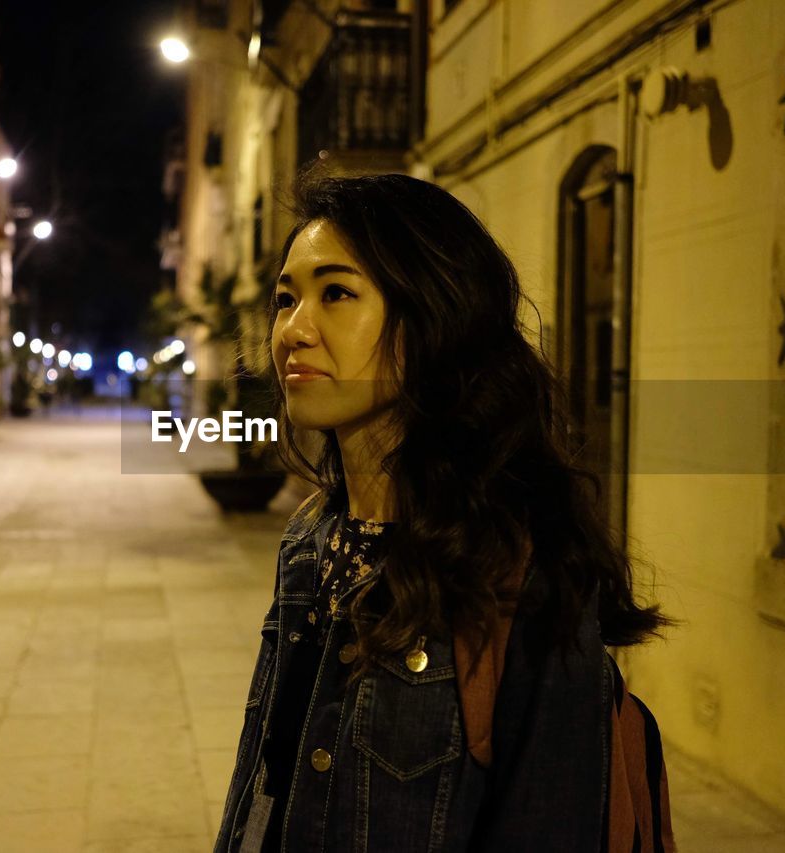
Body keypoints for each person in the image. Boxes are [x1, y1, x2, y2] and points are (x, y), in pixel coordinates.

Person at [214, 169, 678, 852]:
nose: (293, 330)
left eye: (336, 293)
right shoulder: (312, 538)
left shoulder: (519, 569)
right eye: (286, 299)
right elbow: (263, 785)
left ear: (433, 317)